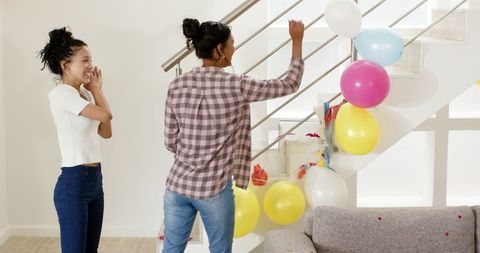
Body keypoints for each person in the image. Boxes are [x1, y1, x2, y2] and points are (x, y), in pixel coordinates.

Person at [163, 18, 304, 253]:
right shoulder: (238, 85)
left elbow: (170, 140)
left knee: (171, 250)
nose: (234, 48)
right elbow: (289, 84)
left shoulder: (177, 84)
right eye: (231, 43)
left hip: (177, 186)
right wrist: (297, 41)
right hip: (213, 190)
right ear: (220, 49)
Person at [39, 27, 113, 253]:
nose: (90, 65)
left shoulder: (85, 95)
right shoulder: (61, 94)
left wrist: (95, 90)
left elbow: (106, 131)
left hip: (94, 180)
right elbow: (106, 115)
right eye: (85, 60)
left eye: (91, 59)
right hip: (74, 182)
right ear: (66, 65)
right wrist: (97, 89)